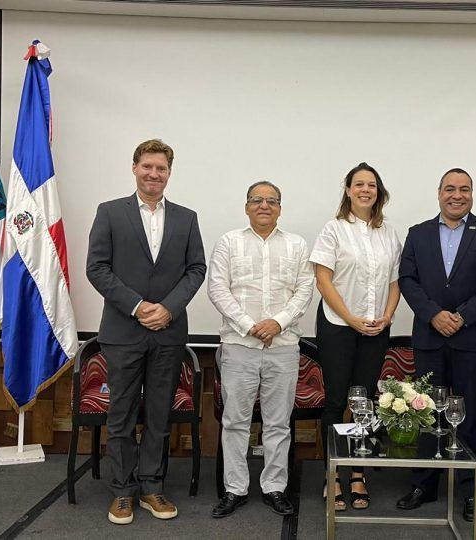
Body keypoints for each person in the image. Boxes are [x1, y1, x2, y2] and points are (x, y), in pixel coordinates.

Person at [86, 139, 207, 525]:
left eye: (162, 168)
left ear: (169, 173)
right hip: (123, 332)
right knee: (120, 415)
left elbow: (196, 270)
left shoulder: (186, 218)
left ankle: (152, 487)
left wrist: (168, 308)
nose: (154, 174)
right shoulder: (109, 213)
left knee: (158, 416)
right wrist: (139, 307)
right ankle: (122, 491)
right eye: (148, 167)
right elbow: (97, 268)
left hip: (168, 333)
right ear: (135, 167)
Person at [397, 167, 476, 521]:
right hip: (430, 337)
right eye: (450, 189)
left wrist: (461, 316)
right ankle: (424, 484)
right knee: (427, 411)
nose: (456, 195)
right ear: (439, 193)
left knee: (470, 416)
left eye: (464, 189)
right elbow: (407, 279)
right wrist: (434, 315)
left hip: (471, 339)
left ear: (472, 195)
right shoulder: (418, 234)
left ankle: (468, 489)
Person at [207, 181, 314, 518]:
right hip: (239, 345)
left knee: (278, 423)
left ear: (280, 208)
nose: (264, 205)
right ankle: (235, 489)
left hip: (283, 346)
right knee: (235, 421)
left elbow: (304, 290)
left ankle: (275, 487)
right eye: (257, 200)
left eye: (271, 201)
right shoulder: (229, 242)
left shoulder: (297, 245)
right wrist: (250, 325)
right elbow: (217, 288)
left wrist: (277, 323)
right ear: (246, 206)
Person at [310, 162, 402, 511]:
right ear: (348, 190)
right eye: (359, 184)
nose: (366, 190)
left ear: (379, 193)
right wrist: (350, 319)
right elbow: (323, 280)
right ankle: (332, 475)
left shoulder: (388, 233)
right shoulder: (333, 230)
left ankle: (358, 474)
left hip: (376, 329)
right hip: (338, 325)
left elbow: (395, 281)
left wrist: (388, 316)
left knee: (364, 403)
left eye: (372, 185)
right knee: (336, 401)